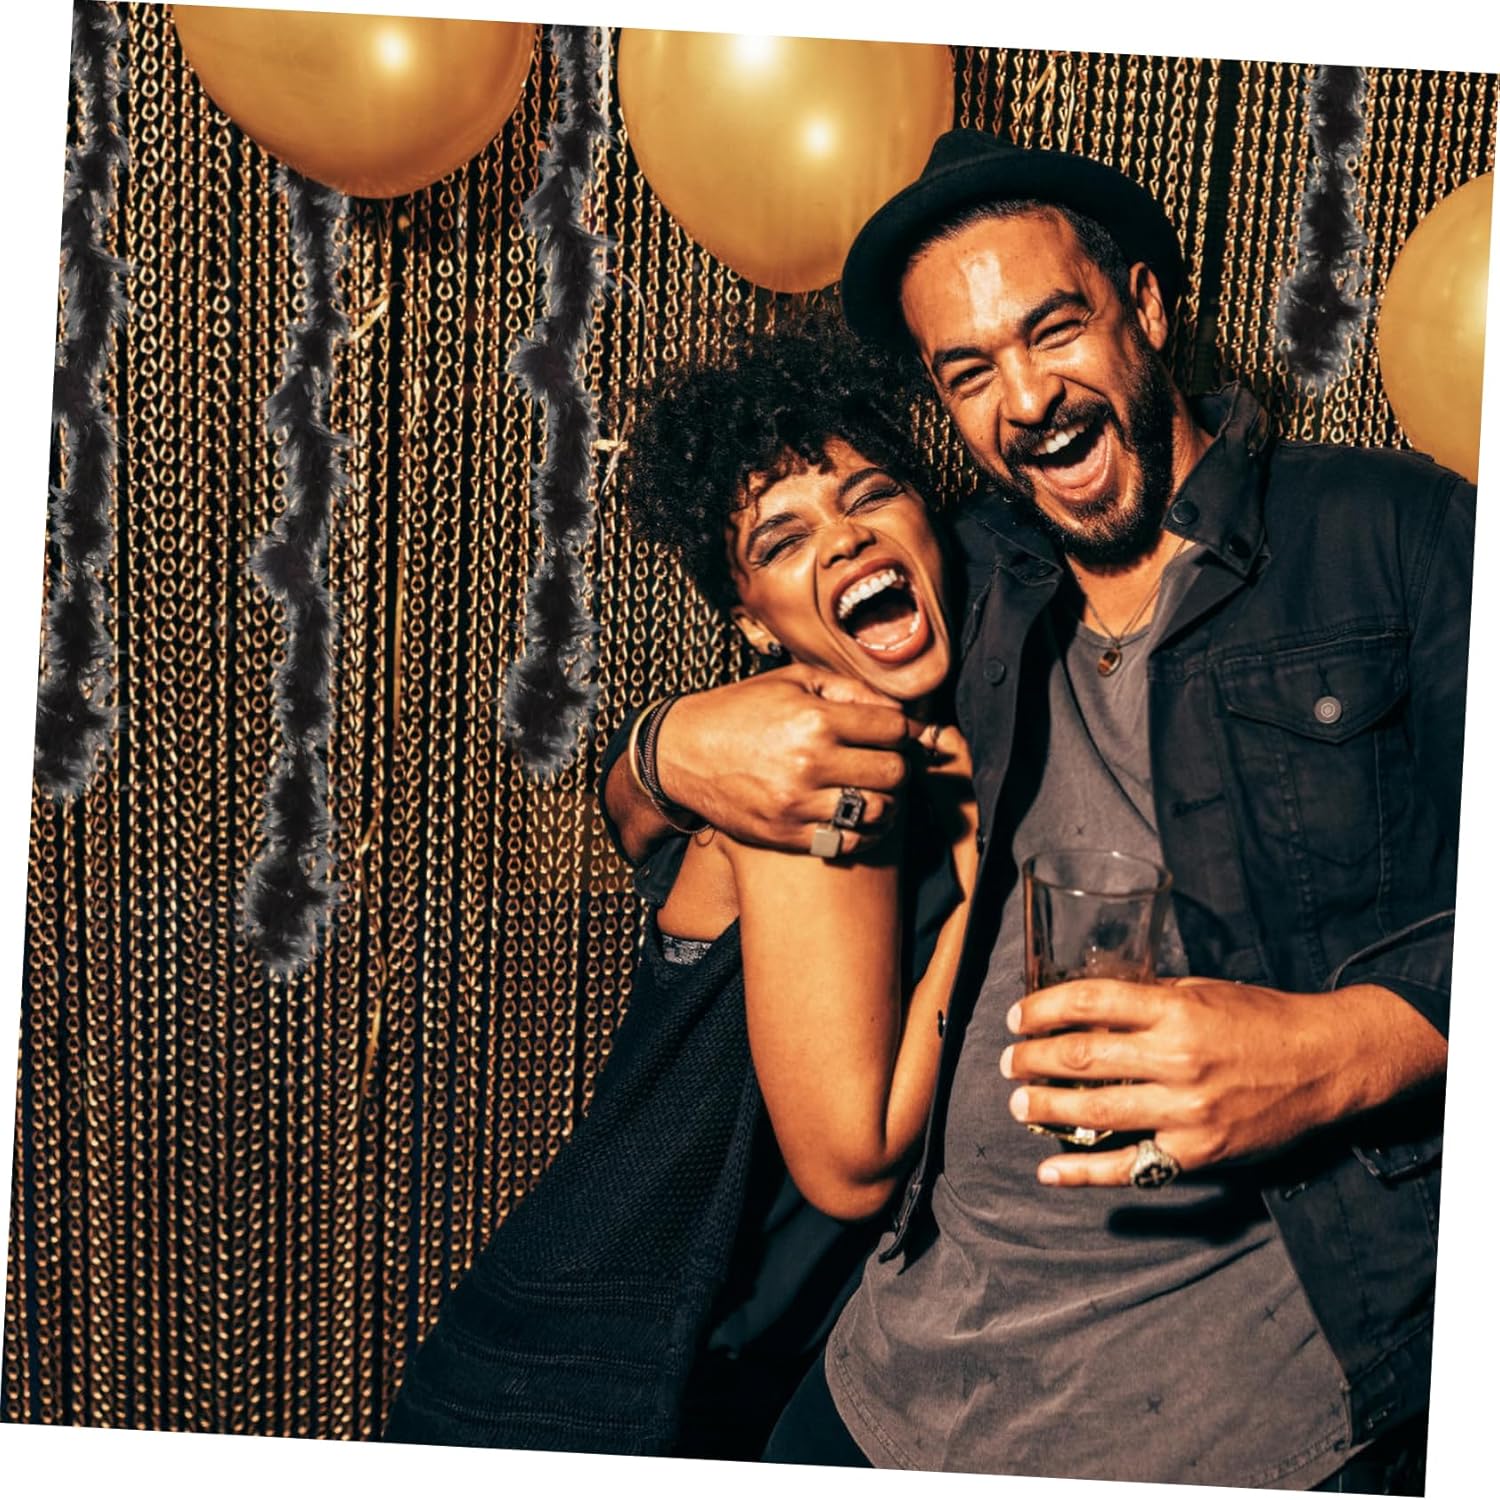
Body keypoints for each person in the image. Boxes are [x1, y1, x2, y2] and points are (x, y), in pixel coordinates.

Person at [602, 130, 1471, 1492]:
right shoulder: (970, 577)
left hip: (1246, 1421)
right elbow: (686, 799)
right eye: (968, 372)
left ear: (1147, 305)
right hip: (893, 1382)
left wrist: (1339, 1049)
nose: (1025, 397)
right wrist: (660, 748)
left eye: (1052, 329)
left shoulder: (1392, 534)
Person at [382, 319, 978, 1460]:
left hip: (720, 1377)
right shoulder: (800, 766)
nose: (848, 539)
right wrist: (1004, 882)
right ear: (751, 621)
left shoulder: (907, 739)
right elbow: (851, 1164)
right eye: (786, 538)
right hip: (583, 1394)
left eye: (872, 495)